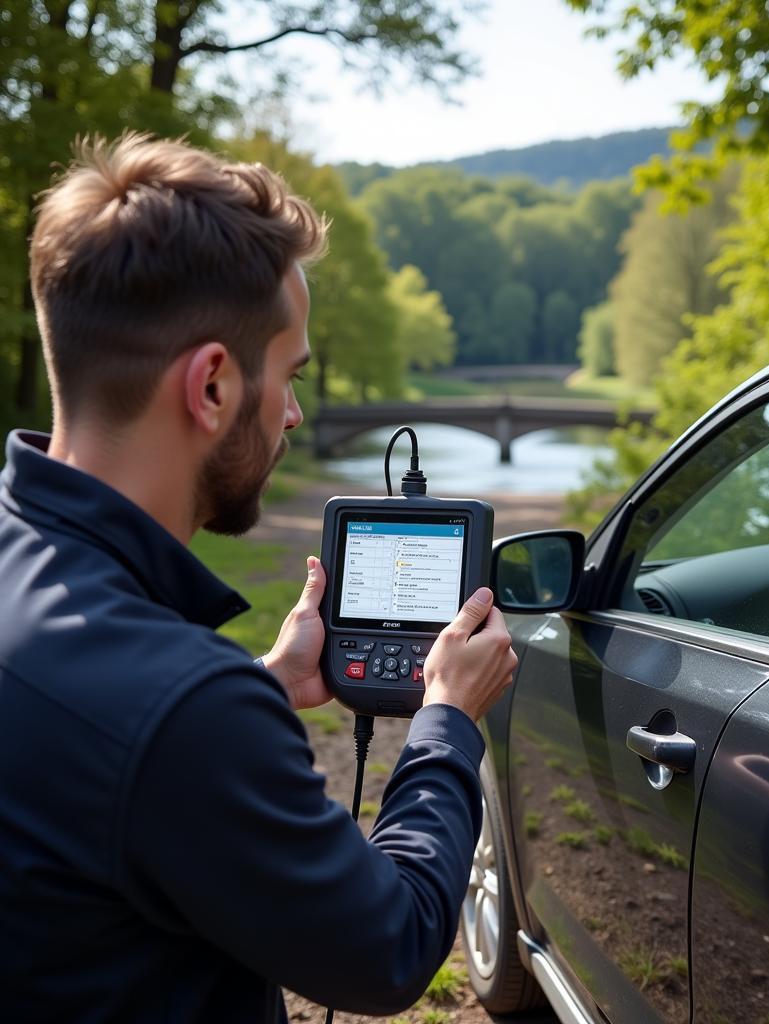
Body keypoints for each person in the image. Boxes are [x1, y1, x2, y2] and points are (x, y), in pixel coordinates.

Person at [0, 133, 518, 1023]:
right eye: (288, 376)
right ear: (210, 388)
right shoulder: (180, 707)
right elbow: (388, 947)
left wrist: (264, 688)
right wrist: (445, 722)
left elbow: (98, 774)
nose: (296, 412)